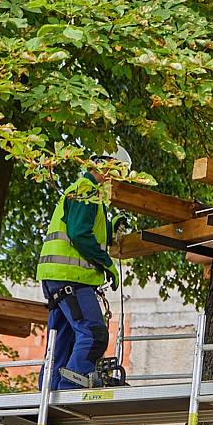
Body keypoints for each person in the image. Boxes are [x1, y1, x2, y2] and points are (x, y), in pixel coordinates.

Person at [35, 146, 131, 390]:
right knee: (94, 335)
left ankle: (49, 392)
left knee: (62, 340)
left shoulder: (82, 192)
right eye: (119, 173)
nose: (118, 181)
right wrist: (106, 263)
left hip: (58, 278)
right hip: (72, 279)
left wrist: (111, 229)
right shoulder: (87, 191)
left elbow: (82, 229)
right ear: (109, 167)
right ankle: (70, 390)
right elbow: (79, 234)